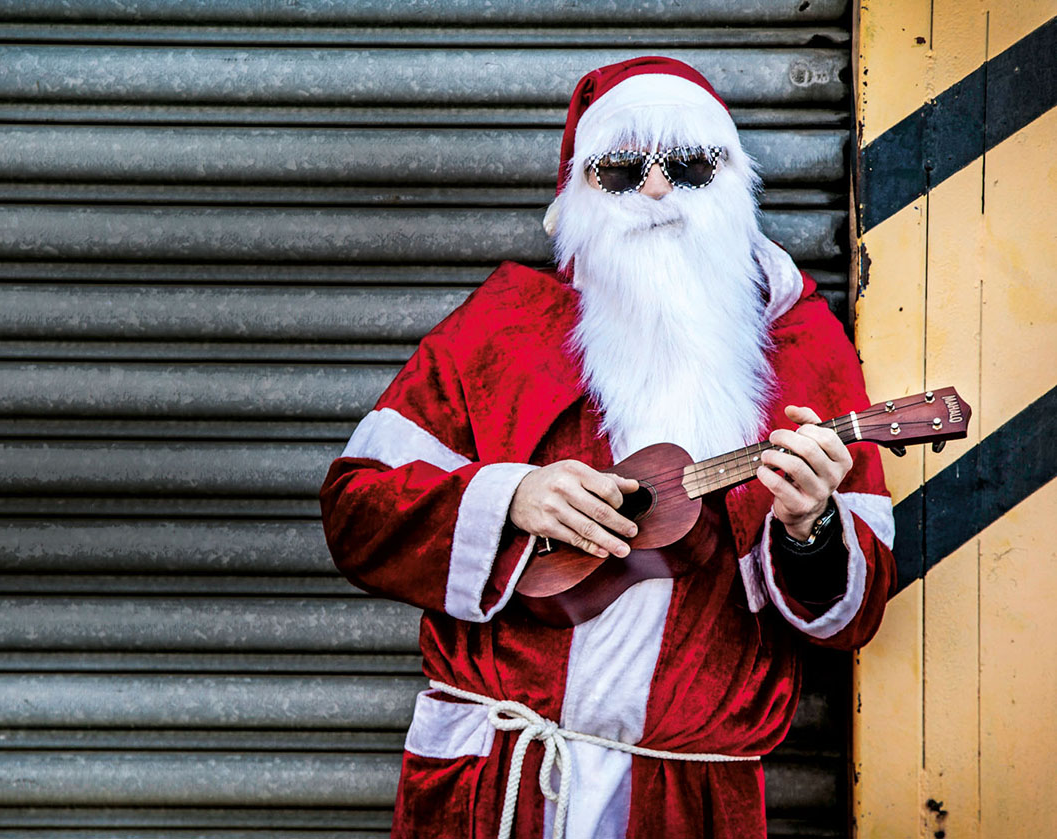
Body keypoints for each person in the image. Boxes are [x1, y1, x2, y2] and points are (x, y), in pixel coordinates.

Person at [319, 56, 896, 839]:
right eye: (621, 170)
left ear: (734, 183)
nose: (656, 191)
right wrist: (508, 496)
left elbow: (853, 613)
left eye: (690, 167)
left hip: (686, 802)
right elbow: (357, 507)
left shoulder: (801, 348)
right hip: (499, 783)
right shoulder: (503, 329)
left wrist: (811, 528)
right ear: (578, 193)